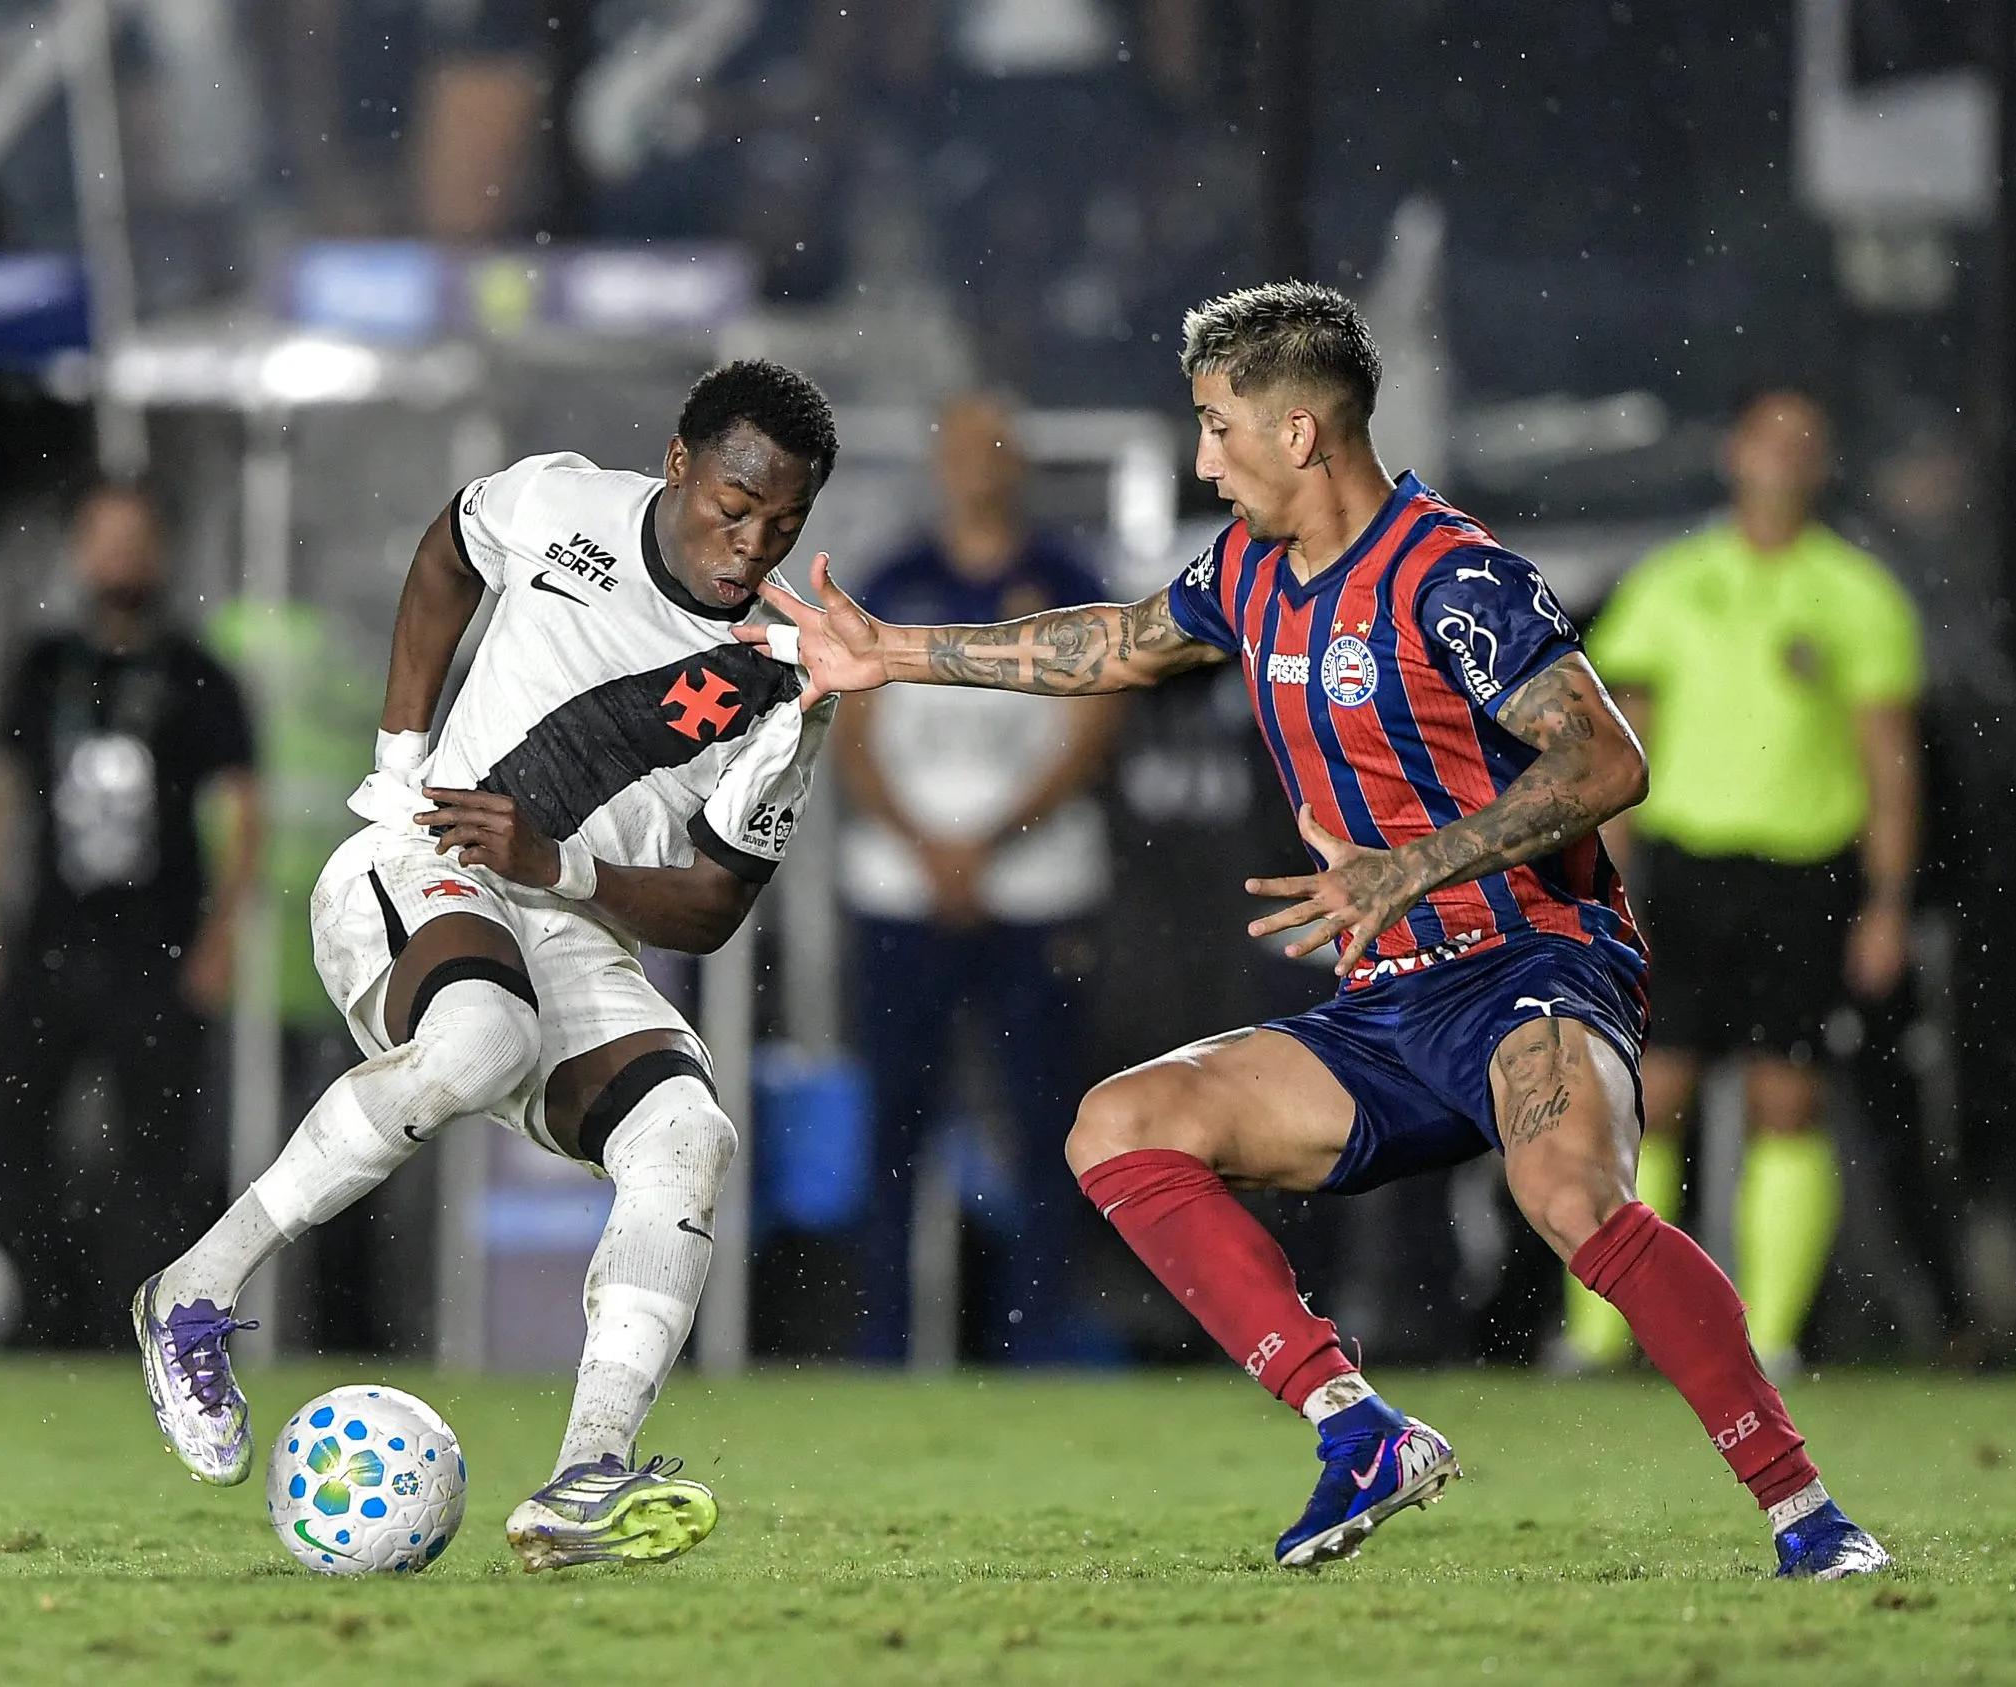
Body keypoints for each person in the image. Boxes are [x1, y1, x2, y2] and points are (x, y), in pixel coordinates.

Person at [754, 284, 1888, 1578]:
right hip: (1387, 1008)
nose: (1201, 457)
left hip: (1531, 966)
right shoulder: (1245, 571)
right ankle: (1358, 1428)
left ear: (1299, 433)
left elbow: (1604, 757)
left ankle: (1809, 1514)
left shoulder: (1450, 574)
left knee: (1568, 1192)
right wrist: (892, 650)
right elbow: (1119, 642)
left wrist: (1414, 861)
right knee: (1116, 1123)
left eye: (1216, 425)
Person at [138, 360, 842, 1574]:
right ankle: (191, 1292)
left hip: (568, 919)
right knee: (482, 1039)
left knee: (688, 1135)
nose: (749, 542)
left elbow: (717, 904)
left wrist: (563, 869)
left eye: (782, 523)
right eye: (734, 505)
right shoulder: (562, 506)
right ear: (680, 462)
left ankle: (585, 1475)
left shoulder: (787, 672)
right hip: (423, 864)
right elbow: (446, 552)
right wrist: (401, 755)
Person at [1553, 389, 1925, 1377]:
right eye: (1769, 439)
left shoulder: (1857, 593)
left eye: (1805, 442)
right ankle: (1603, 1334)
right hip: (1684, 868)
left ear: (1823, 463)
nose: (1784, 459)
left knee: (1786, 1099)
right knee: (1646, 1093)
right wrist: (1606, 877)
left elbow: (1890, 762)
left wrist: (1887, 901)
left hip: (1803, 874)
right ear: (1735, 453)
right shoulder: (1673, 583)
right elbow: (1621, 743)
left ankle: (1769, 1335)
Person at [835, 391, 1122, 1361]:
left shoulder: (1070, 580)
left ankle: (1035, 1344)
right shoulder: (891, 579)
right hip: (896, 886)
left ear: (1020, 462)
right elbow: (851, 732)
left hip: (1039, 890)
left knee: (1046, 1125)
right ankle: (884, 1344)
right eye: (961, 447)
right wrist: (925, 844)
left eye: (996, 446)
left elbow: (1094, 725)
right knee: (895, 1126)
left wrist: (990, 841)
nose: (978, 465)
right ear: (939, 462)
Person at [0, 483, 260, 1346]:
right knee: (11, 1134)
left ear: (157, 552)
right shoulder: (45, 664)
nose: (118, 557)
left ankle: (153, 1326)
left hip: (156, 947)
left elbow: (240, 811)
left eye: (133, 538)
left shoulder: (198, 674)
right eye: (103, 539)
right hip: (50, 939)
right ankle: (22, 1319)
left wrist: (221, 936)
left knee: (159, 1151)